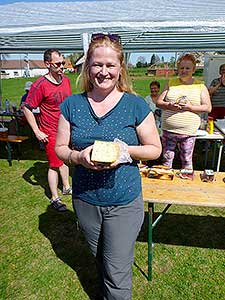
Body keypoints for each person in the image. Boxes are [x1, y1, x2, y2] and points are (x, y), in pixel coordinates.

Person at [55, 33, 161, 299]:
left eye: (110, 65)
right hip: (86, 200)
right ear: (87, 66)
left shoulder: (134, 105)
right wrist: (79, 158)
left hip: (124, 200)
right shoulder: (72, 105)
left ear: (120, 67)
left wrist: (124, 151)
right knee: (100, 257)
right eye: (97, 64)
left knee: (117, 270)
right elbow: (60, 149)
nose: (103, 72)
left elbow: (155, 149)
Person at [22, 48, 72, 212]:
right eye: (58, 64)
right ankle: (54, 198)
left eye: (62, 63)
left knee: (64, 159)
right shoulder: (40, 85)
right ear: (47, 64)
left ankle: (66, 187)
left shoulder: (65, 81)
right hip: (50, 132)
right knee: (53, 165)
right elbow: (27, 108)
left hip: (66, 131)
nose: (61, 67)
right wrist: (37, 131)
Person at [156, 53, 211, 179]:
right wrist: (169, 105)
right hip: (169, 131)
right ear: (178, 69)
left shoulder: (200, 86)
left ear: (193, 70)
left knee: (187, 160)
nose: (184, 71)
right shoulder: (171, 82)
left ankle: (187, 185)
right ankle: (165, 183)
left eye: (187, 68)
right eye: (181, 68)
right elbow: (159, 102)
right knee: (166, 159)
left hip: (188, 133)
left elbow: (207, 107)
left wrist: (190, 108)